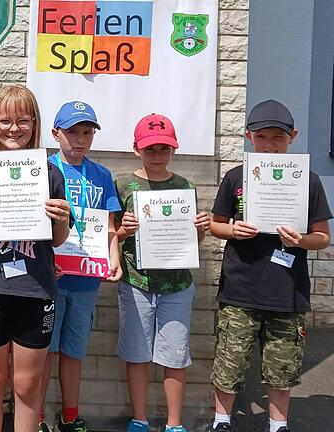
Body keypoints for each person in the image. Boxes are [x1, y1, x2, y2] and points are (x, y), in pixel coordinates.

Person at [208, 100, 332, 432]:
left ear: (293, 136)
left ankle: (278, 424)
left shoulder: (308, 180)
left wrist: (301, 241)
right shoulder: (236, 177)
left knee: (283, 363)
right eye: (262, 137)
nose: (270, 145)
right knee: (230, 360)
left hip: (286, 290)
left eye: (278, 137)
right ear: (249, 137)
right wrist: (232, 229)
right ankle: (222, 420)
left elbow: (322, 236)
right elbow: (215, 224)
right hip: (240, 287)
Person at [0, 84, 72, 432]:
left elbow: (57, 239)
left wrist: (63, 219)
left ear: (34, 124)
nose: (13, 128)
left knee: (26, 385)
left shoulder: (50, 174)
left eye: (23, 120)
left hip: (36, 291)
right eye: (4, 120)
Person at [113, 114, 211, 432]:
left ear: (174, 149)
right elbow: (110, 233)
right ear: (136, 149)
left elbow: (192, 242)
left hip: (176, 284)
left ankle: (174, 423)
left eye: (163, 149)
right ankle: (139, 418)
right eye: (150, 148)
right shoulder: (124, 185)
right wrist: (123, 231)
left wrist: (201, 230)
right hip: (136, 282)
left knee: (175, 354)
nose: (157, 155)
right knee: (137, 353)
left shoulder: (184, 187)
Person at [37, 101, 123, 432]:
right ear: (56, 133)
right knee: (42, 351)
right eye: (72, 132)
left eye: (87, 132)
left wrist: (113, 258)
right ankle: (38, 416)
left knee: (74, 351)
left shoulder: (101, 174)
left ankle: (70, 414)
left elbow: (111, 227)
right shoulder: (43, 169)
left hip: (87, 278)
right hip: (50, 277)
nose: (80, 139)